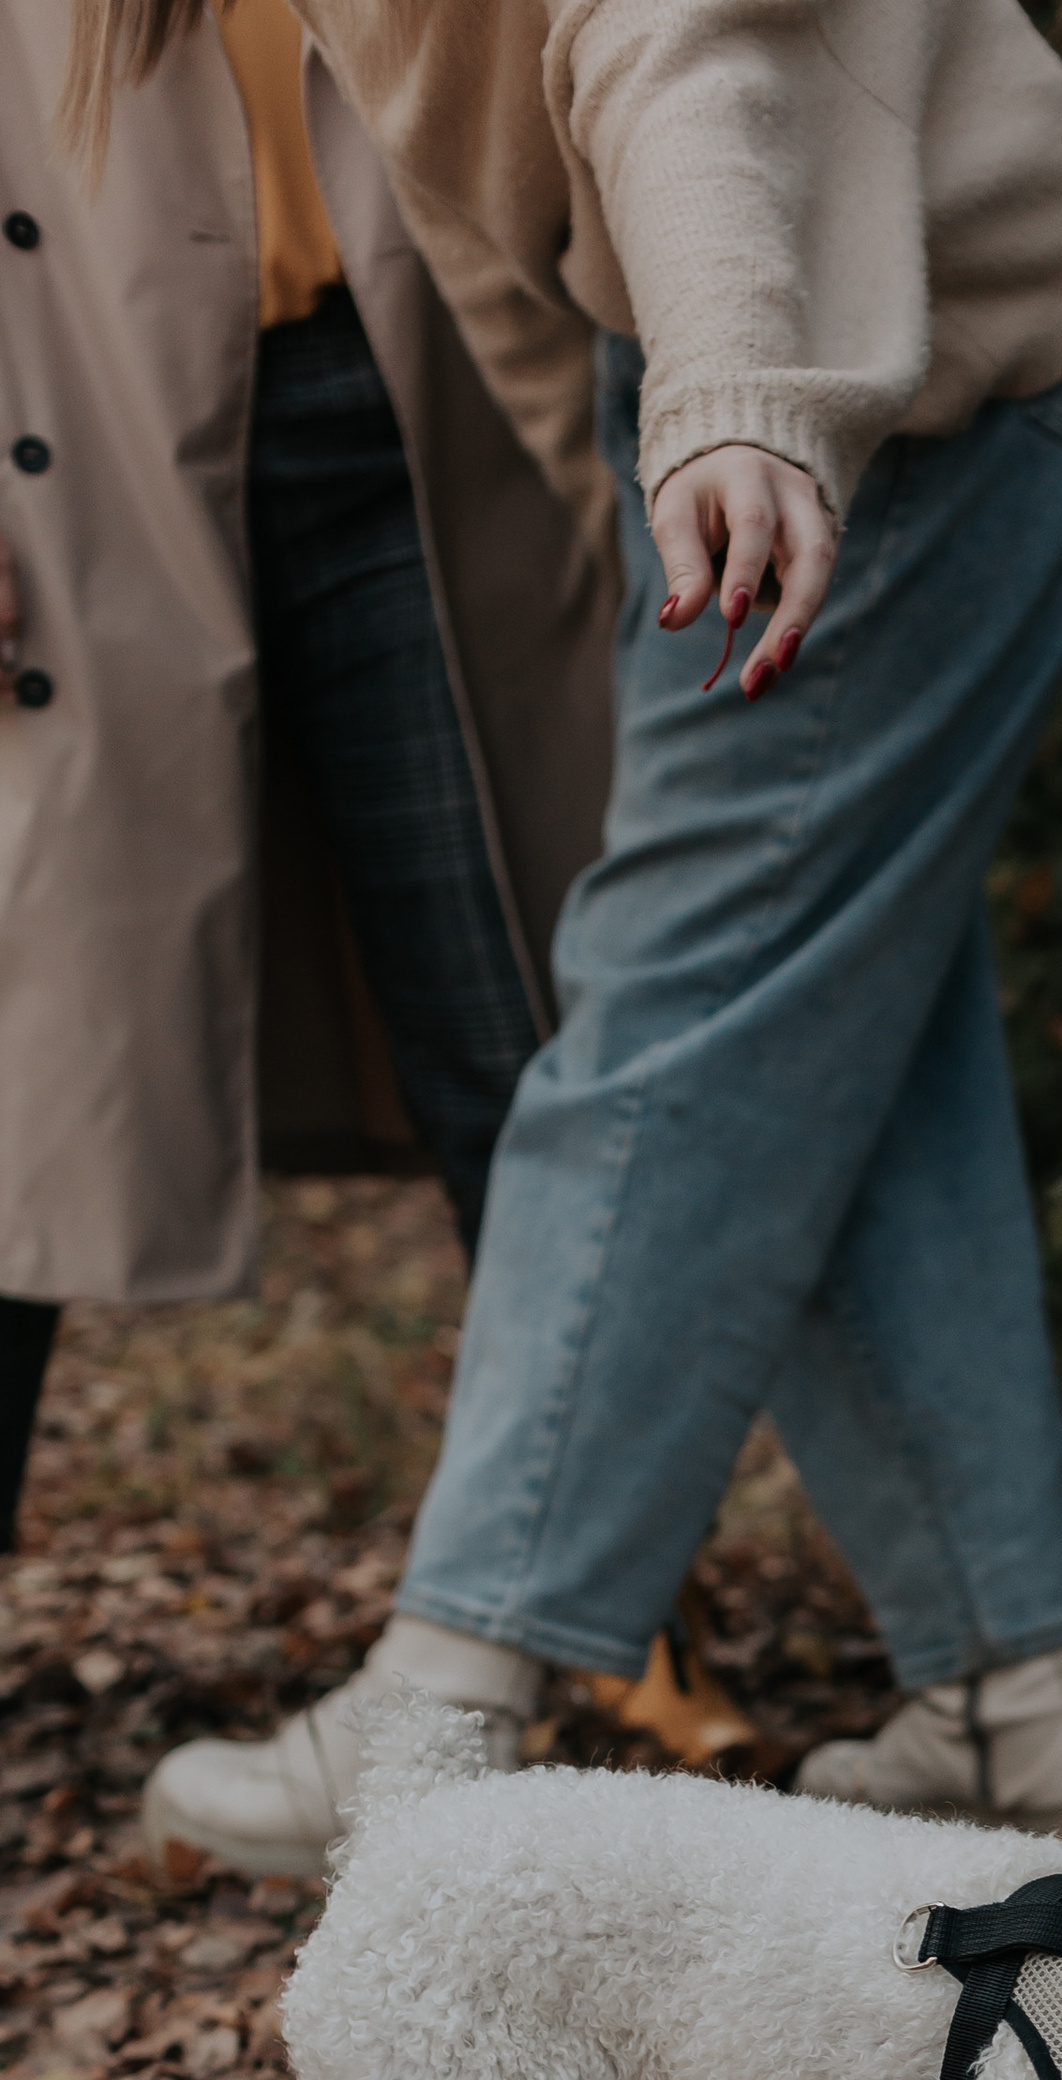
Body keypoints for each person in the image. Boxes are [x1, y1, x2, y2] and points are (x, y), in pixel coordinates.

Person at [77, 0, 1062, 1885]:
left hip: (907, 379)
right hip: (784, 363)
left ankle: (443, 1708)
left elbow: (680, 46)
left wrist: (737, 397)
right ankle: (1008, 1687)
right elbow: (502, 246)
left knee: (675, 1017)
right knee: (837, 1030)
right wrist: (649, 469)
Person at [0, 0, 614, 1556]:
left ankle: (579, 1612)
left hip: (442, 394)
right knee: (20, 1080)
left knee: (515, 1030)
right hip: (76, 423)